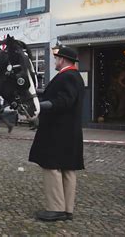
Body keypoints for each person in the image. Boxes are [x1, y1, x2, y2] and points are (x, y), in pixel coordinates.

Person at [29, 46, 85, 222]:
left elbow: (63, 101)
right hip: (69, 131)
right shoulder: (75, 76)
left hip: (57, 132)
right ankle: (67, 209)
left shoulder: (67, 76)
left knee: (52, 167)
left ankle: (55, 209)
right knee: (68, 169)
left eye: (56, 59)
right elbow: (59, 97)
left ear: (62, 60)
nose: (55, 61)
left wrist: (40, 106)